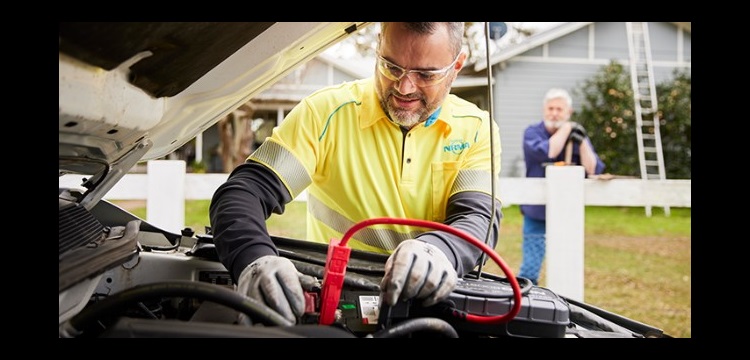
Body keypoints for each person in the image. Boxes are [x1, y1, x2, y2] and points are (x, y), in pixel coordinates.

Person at [209, 22, 503, 323]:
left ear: (457, 66)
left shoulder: (477, 130)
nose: (404, 87)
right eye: (391, 66)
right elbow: (243, 192)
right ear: (378, 45)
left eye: (425, 75)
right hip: (334, 306)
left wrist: (439, 251)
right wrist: (253, 258)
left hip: (427, 310)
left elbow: (479, 218)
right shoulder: (324, 114)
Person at [518, 88, 605, 285]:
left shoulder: (576, 135)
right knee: (530, 266)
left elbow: (592, 169)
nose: (554, 113)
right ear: (543, 110)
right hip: (537, 211)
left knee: (567, 262)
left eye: (560, 109)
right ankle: (525, 300)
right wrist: (566, 129)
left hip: (567, 211)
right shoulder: (532, 133)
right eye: (551, 108)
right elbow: (548, 151)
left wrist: (580, 141)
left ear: (568, 113)